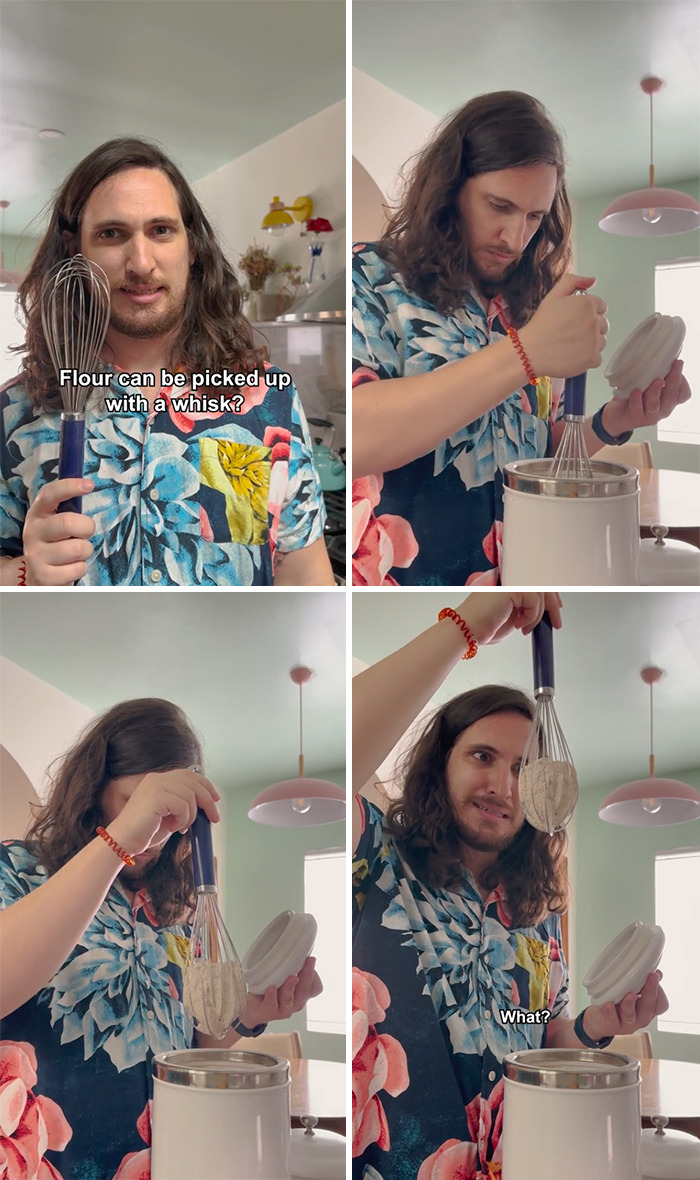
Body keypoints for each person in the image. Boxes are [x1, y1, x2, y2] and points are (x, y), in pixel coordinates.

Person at [352, 592, 668, 1180]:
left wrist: (598, 1026)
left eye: (525, 768)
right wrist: (465, 626)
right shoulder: (375, 860)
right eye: (482, 755)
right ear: (441, 763)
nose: (504, 784)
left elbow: (535, 1027)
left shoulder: (537, 920)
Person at [351, 92, 691, 585]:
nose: (514, 237)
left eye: (534, 217)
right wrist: (525, 353)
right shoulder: (376, 275)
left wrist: (615, 421)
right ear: (449, 189)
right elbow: (360, 440)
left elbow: (537, 457)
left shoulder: (524, 308)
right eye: (499, 206)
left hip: (520, 584)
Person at [0, 698, 323, 1179]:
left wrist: (251, 1014)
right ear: (93, 788)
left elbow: (184, 1044)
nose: (155, 834)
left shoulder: (169, 912)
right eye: (134, 804)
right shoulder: (21, 872)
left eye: (173, 817)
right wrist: (117, 842)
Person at [0, 136, 334, 587]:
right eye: (112, 233)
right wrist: (24, 574)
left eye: (161, 230)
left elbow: (301, 568)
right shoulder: (15, 412)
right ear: (75, 249)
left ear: (191, 246)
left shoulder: (268, 401)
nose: (140, 262)